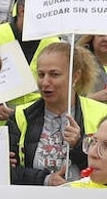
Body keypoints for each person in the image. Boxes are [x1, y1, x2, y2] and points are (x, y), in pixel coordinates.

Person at [8, 42, 107, 186]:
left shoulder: (101, 114)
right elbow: (9, 173)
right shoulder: (20, 116)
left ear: (75, 76)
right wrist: (45, 179)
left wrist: (79, 144)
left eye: (54, 74)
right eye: (41, 74)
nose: (45, 82)